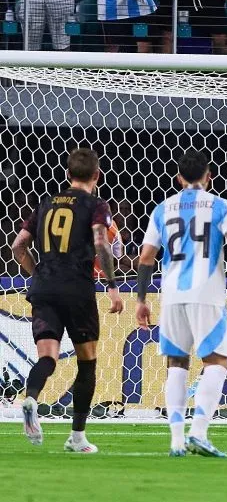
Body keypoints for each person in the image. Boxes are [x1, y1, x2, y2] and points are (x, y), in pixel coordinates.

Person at [135, 149, 227, 458]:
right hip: (207, 293)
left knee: (177, 364)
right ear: (209, 176)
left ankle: (176, 441)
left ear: (179, 178)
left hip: (172, 295)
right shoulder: (220, 206)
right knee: (217, 361)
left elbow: (146, 257)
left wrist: (141, 299)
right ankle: (199, 432)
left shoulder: (162, 209)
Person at [11, 149, 123, 453]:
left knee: (47, 357)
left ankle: (31, 398)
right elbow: (101, 242)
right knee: (87, 363)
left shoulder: (45, 203)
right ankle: (77, 438)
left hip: (44, 289)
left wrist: (38, 274)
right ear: (97, 175)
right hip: (77, 289)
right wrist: (112, 285)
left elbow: (18, 246)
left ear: (67, 174)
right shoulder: (95, 205)